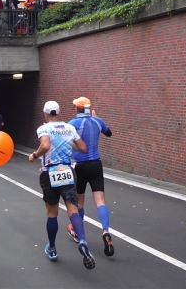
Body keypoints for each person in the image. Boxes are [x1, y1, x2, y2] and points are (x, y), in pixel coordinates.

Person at [29, 101, 95, 269]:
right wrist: (66, 142)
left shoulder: (44, 128)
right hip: (67, 170)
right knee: (73, 208)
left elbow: (45, 145)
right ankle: (82, 240)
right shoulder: (69, 128)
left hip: (50, 171)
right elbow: (82, 147)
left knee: (52, 212)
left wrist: (34, 155)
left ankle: (52, 248)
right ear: (58, 112)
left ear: (45, 113)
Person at [66, 97, 114, 256]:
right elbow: (109, 133)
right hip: (96, 165)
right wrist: (97, 118)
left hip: (80, 166)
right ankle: (105, 230)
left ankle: (78, 232)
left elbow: (63, 138)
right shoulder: (97, 121)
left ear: (77, 109)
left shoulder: (73, 123)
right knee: (100, 200)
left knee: (79, 201)